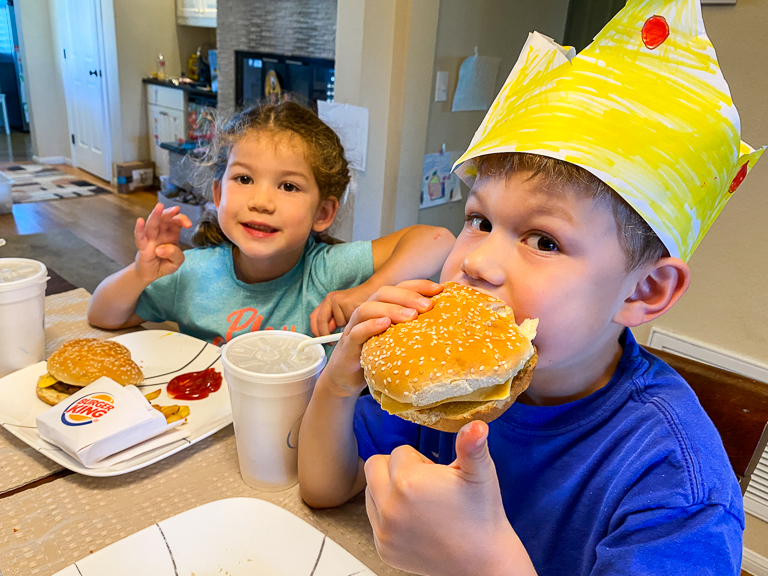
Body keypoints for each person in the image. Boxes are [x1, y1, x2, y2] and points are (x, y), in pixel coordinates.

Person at [297, 0, 763, 574]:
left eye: (544, 241)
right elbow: (326, 487)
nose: (479, 263)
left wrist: (484, 562)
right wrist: (339, 382)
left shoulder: (673, 479)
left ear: (643, 292)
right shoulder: (452, 385)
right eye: (479, 221)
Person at [87, 102, 455, 345]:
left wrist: (365, 291)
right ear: (218, 194)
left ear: (323, 213)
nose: (261, 202)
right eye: (244, 179)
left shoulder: (326, 272)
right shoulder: (191, 274)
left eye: (288, 186)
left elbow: (437, 237)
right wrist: (140, 272)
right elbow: (103, 315)